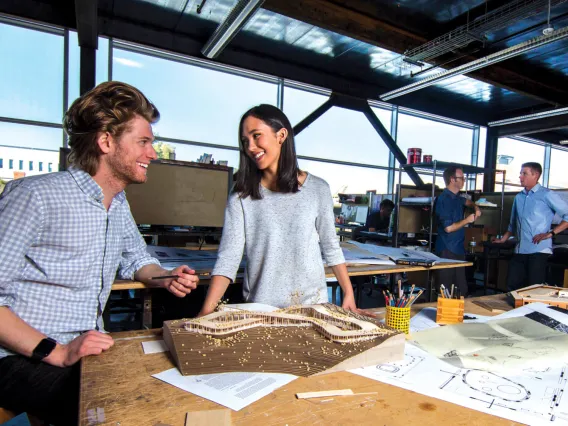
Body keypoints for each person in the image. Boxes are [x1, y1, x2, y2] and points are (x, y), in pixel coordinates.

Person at [0, 81, 199, 425]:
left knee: (165, 381)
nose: (153, 153)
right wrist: (58, 352)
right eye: (143, 142)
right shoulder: (34, 196)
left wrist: (167, 278)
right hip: (22, 355)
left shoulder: (117, 204)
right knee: (117, 410)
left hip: (85, 347)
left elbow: (137, 259)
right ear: (106, 141)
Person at [199, 104, 358, 316]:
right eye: (246, 141)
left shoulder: (318, 189)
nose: (251, 147)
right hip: (260, 309)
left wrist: (348, 293)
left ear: (281, 135)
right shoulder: (241, 195)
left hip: (312, 307)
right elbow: (229, 257)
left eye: (257, 136)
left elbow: (331, 246)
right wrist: (207, 310)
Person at [493, 162, 568, 291]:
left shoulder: (546, 195)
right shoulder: (519, 197)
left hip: (538, 250)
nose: (520, 177)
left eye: (524, 173)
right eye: (520, 173)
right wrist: (503, 239)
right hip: (520, 249)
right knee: (512, 286)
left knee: (532, 289)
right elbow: (513, 223)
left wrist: (550, 233)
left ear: (536, 175)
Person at [434, 165, 481, 297]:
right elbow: (448, 228)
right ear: (452, 179)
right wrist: (467, 220)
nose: (464, 180)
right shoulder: (444, 200)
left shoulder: (456, 197)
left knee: (461, 289)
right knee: (446, 290)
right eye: (462, 178)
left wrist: (475, 207)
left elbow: (467, 202)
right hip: (447, 249)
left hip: (458, 248)